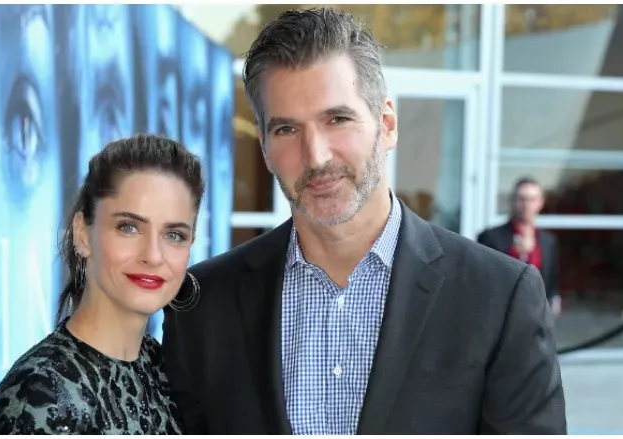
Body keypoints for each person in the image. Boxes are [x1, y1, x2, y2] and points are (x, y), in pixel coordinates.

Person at [161, 7, 566, 435]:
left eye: (337, 119)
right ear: (263, 147)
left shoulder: (499, 296)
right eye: (286, 130)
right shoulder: (203, 303)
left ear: (386, 125)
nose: (316, 156)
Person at [0, 134, 204, 434]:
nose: (153, 255)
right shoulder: (40, 399)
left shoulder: (160, 366)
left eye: (174, 235)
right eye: (129, 227)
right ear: (83, 234)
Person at [478, 177, 561, 315]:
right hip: (502, 313)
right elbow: (485, 278)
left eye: (532, 199)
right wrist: (516, 254)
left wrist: (554, 300)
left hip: (537, 314)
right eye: (521, 199)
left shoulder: (548, 241)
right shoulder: (490, 237)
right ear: (513, 201)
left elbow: (552, 279)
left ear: (541, 203)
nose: (526, 205)